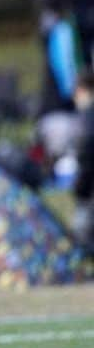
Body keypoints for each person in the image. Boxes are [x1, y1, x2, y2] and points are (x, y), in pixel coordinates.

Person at [72, 69, 94, 252]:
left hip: (89, 190)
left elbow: (88, 157)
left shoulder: (88, 119)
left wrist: (81, 189)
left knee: (82, 233)